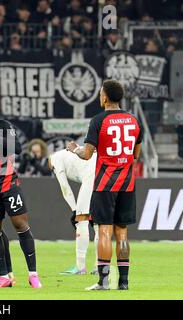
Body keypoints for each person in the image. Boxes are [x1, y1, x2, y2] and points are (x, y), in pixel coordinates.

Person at [67, 79, 143, 291]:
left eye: (100, 93)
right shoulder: (133, 120)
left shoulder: (99, 120)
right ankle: (124, 282)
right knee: (123, 232)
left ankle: (103, 281)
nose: (100, 96)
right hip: (127, 184)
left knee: (104, 231)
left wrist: (74, 149)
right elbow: (136, 154)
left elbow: (87, 154)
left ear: (106, 96)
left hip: (105, 185)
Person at [0, 93, 42, 288]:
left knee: (21, 225)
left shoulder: (4, 127)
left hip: (8, 184)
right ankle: (4, 276)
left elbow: (17, 148)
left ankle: (33, 274)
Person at [48, 149, 98, 275]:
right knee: (99, 225)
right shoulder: (67, 155)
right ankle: (99, 266)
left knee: (81, 221)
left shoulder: (55, 160)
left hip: (90, 177)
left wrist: (75, 210)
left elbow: (65, 188)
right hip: (101, 176)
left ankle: (80, 267)